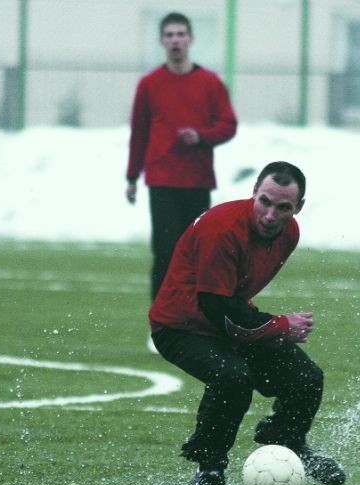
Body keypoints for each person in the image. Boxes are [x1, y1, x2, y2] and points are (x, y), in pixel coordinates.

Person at [149, 161, 346, 485]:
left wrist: (270, 330)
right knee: (232, 377)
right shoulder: (221, 230)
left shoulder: (290, 233)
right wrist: (280, 326)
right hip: (180, 327)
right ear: (254, 192)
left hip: (226, 321)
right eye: (265, 202)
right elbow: (219, 309)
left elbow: (233, 306)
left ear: (298, 208)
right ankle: (208, 469)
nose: (271, 215)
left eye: (283, 207)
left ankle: (289, 443)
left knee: (306, 378)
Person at [125, 12, 237, 353]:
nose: (175, 40)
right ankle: (161, 326)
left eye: (180, 34)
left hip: (197, 181)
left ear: (190, 39)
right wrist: (132, 176)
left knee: (198, 257)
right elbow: (139, 132)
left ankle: (198, 323)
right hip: (161, 180)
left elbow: (228, 125)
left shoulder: (210, 83)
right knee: (165, 254)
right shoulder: (149, 84)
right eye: (169, 34)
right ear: (162, 40)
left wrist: (202, 136)